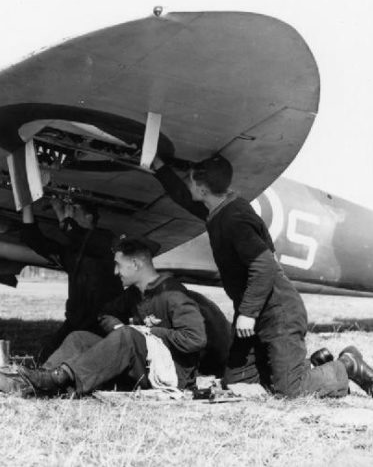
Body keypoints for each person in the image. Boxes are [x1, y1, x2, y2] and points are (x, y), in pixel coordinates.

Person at [152, 155, 373, 397]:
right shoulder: (221, 207)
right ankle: (309, 365)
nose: (188, 185)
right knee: (236, 381)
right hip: (258, 313)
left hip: (278, 313)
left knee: (290, 391)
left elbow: (265, 265)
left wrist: (247, 313)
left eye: (190, 181)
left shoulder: (234, 218)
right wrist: (159, 167)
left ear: (203, 189)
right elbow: (186, 200)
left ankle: (346, 365)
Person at [0, 237, 208, 397]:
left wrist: (146, 333)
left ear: (135, 264)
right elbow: (105, 313)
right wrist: (118, 327)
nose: (115, 272)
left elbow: (195, 339)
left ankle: (59, 378)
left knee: (128, 335)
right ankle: (38, 379)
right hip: (144, 365)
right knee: (79, 337)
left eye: (119, 265)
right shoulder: (134, 294)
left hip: (171, 374)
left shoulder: (172, 294)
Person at [20, 198, 124, 358]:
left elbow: (83, 237)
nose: (69, 213)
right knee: (45, 356)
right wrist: (27, 204)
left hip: (104, 322)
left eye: (74, 210)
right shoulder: (71, 251)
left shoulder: (106, 240)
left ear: (89, 217)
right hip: (76, 321)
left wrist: (62, 214)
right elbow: (33, 239)